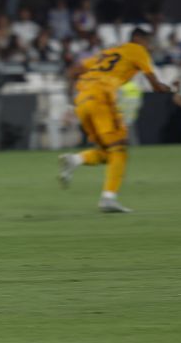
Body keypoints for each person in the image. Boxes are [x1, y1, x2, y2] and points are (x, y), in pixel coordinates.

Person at [58, 28, 172, 212]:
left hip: (83, 100)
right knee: (119, 148)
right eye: (147, 41)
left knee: (107, 152)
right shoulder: (137, 50)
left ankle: (75, 160)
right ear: (137, 38)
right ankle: (108, 198)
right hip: (102, 97)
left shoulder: (109, 52)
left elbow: (73, 70)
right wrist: (170, 88)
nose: (149, 46)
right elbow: (155, 84)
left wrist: (69, 101)